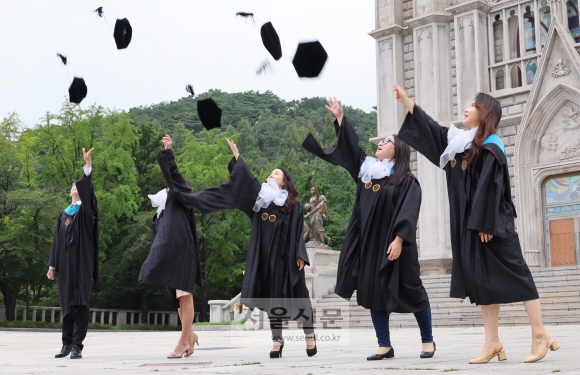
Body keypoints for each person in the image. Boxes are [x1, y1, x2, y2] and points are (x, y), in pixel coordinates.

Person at [393, 84, 560, 363]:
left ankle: (540, 333)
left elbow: (491, 187)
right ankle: (492, 342)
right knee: (481, 280)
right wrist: (408, 102)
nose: (467, 108)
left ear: (485, 114)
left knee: (518, 275)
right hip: (472, 226)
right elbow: (432, 129)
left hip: (492, 224)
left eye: (473, 105)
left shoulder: (492, 144)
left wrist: (485, 222)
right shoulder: (460, 142)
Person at [302, 98, 434, 360]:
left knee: (413, 289)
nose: (381, 143)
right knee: (373, 291)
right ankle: (384, 344)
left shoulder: (406, 181)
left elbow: (409, 211)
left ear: (398, 152)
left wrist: (398, 240)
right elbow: (352, 151)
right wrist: (340, 118)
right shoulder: (368, 175)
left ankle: (427, 341)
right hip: (370, 246)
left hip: (397, 245)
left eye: (387, 142)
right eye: (382, 141)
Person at [184, 138, 317, 358]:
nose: (271, 175)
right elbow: (246, 181)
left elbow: (297, 233)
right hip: (267, 259)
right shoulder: (260, 200)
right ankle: (277, 341)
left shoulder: (292, 205)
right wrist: (237, 157)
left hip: (289, 260)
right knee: (273, 299)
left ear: (285, 181)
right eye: (271, 173)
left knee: (300, 296)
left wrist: (300, 255)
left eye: (276, 173)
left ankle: (309, 336)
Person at [138, 135, 203, 359]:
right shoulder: (166, 208)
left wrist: (168, 153)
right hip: (171, 257)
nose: (170, 186)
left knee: (185, 297)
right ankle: (191, 335)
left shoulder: (184, 197)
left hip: (184, 253)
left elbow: (173, 176)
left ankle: (183, 342)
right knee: (178, 301)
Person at [47, 147, 99, 360]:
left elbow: (87, 190)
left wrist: (87, 167)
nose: (75, 187)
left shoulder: (86, 212)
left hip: (83, 265)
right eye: (73, 186)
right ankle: (66, 344)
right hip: (66, 267)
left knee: (81, 304)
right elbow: (56, 242)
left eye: (79, 185)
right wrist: (52, 265)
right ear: (70, 192)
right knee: (67, 305)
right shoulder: (64, 214)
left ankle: (78, 345)